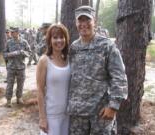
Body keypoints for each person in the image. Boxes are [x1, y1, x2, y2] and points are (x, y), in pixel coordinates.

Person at [67, 6, 128, 135]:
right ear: (76, 23)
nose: (83, 24)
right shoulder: (74, 47)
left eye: (87, 20)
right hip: (77, 113)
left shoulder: (107, 46)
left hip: (100, 114)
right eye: (80, 21)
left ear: (94, 21)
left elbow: (119, 77)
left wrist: (113, 106)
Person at [37, 24, 70, 135]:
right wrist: (42, 118)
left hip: (68, 115)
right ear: (49, 40)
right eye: (55, 37)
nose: (59, 40)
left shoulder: (68, 59)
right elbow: (40, 90)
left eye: (62, 37)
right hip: (51, 116)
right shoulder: (44, 60)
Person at [3, 27, 31, 107]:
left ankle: (19, 98)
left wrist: (23, 53)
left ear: (17, 32)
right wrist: (11, 54)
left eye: (13, 32)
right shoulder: (8, 42)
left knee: (20, 84)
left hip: (21, 67)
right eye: (11, 32)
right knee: (10, 84)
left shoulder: (24, 42)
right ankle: (8, 100)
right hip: (11, 67)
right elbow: (4, 54)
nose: (11, 34)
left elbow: (29, 53)